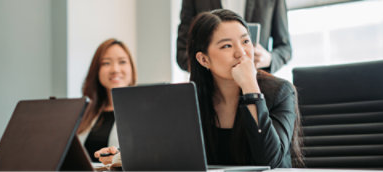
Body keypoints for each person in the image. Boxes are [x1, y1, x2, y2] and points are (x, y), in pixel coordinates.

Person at [95, 9, 304, 168]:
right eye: (227, 46)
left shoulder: (280, 92)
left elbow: (269, 161)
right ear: (204, 59)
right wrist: (125, 155)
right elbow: (169, 152)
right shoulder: (189, 100)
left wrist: (251, 89)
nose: (242, 53)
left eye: (245, 41)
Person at [176, 0, 292, 74]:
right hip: (211, 93)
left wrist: (269, 59)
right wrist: (211, 66)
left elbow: (285, 48)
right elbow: (182, 53)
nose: (240, 53)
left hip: (259, 85)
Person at [77, 38, 137, 162]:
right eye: (106, 63)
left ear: (131, 68)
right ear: (96, 70)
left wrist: (118, 159)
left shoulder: (144, 112)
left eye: (122, 62)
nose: (115, 69)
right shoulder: (83, 113)